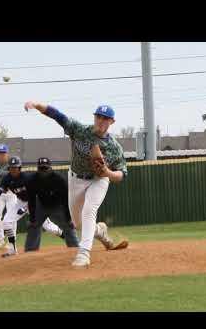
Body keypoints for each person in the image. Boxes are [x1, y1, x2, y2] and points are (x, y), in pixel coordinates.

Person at [24, 101, 129, 267]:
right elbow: (57, 115)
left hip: (98, 180)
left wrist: (107, 173)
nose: (101, 120)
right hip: (76, 179)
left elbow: (122, 174)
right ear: (94, 117)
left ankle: (84, 253)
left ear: (112, 122)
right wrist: (36, 105)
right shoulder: (79, 130)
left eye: (106, 118)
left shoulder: (114, 147)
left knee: (89, 209)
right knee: (79, 224)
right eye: (99, 117)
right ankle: (99, 231)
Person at [0, 156, 64, 258]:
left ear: (20, 168)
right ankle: (12, 250)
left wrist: (25, 209)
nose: (13, 170)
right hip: (20, 202)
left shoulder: (26, 178)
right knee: (6, 222)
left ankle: (65, 236)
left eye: (15, 167)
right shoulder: (7, 178)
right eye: (11, 167)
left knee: (48, 227)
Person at [25, 157, 79, 252]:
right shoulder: (32, 180)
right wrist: (32, 219)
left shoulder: (59, 179)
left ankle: (74, 249)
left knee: (68, 225)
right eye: (41, 169)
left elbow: (66, 199)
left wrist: (69, 218)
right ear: (37, 169)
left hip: (58, 205)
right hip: (41, 205)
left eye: (45, 168)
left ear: (50, 168)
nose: (43, 171)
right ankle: (30, 252)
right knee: (33, 225)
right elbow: (31, 200)